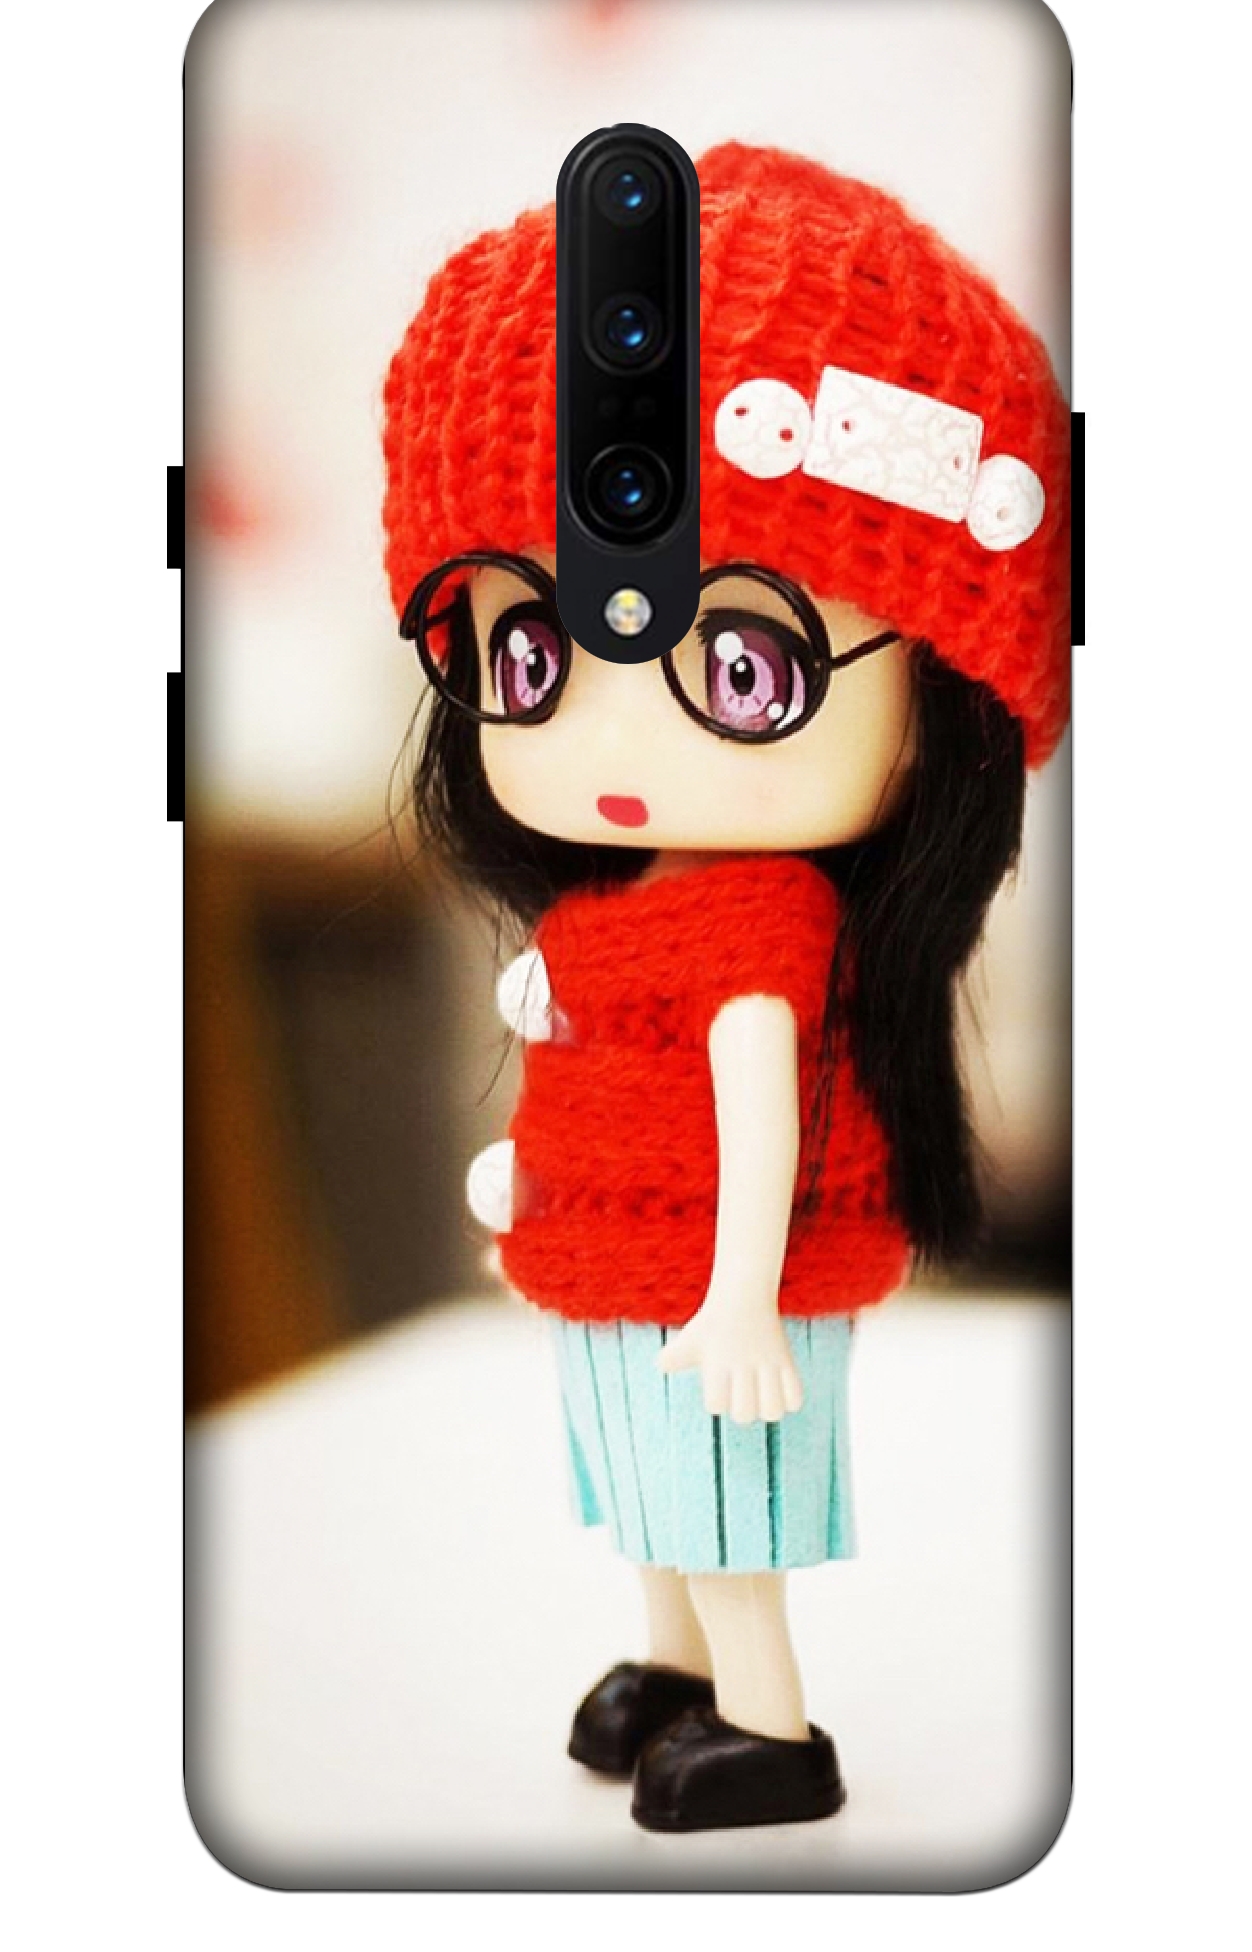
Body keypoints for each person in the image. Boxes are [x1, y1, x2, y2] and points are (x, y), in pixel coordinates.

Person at [381, 142, 1070, 1832]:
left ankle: (767, 1718)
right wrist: (530, 1185)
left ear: (944, 698)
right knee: (639, 1485)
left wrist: (745, 1296)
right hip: (624, 1270)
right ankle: (673, 1662)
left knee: (719, 1500)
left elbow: (760, 1121)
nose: (612, 736)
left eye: (745, 667)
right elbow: (587, 1058)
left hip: (721, 1294)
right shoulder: (615, 917)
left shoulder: (764, 935)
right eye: (532, 652)